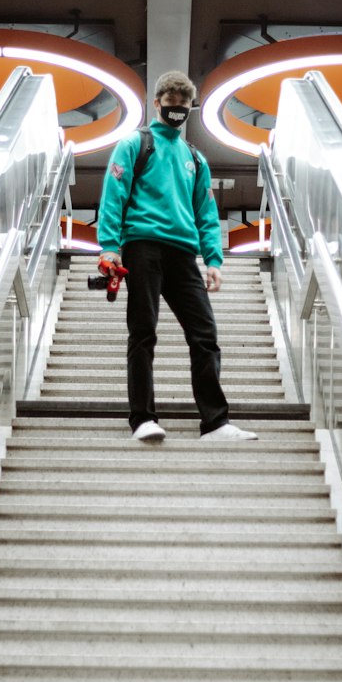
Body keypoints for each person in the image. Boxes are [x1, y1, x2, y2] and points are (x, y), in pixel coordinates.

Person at [97, 70, 258, 445]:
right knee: (143, 331)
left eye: (183, 106)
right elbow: (113, 193)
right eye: (170, 105)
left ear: (190, 108)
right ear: (157, 104)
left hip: (184, 253)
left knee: (205, 334)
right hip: (142, 246)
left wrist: (214, 260)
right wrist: (109, 244)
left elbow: (205, 211)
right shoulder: (136, 143)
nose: (177, 111)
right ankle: (143, 419)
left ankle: (216, 423)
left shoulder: (195, 158)